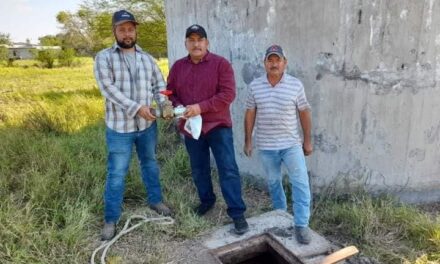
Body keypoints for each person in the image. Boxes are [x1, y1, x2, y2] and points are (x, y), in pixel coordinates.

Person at [94, 10, 171, 240]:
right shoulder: (104, 57)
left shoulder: (147, 58)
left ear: (136, 31)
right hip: (120, 128)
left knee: (150, 163)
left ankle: (155, 201)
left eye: (131, 29)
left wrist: (165, 104)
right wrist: (138, 108)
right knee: (117, 172)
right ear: (114, 31)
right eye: (122, 29)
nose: (127, 33)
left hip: (147, 127)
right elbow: (108, 89)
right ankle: (111, 218)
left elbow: (159, 84)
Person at [167, 24, 249, 235]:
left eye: (200, 39)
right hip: (191, 128)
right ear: (186, 43)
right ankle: (207, 201)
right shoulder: (177, 67)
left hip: (217, 126)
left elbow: (228, 95)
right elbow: (171, 93)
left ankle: (237, 212)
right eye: (191, 40)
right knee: (198, 168)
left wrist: (200, 107)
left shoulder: (221, 64)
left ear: (207, 42)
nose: (196, 44)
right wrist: (177, 107)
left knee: (228, 168)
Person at [243, 45, 313, 244]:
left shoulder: (295, 85)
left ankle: (301, 224)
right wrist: (248, 140)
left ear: (285, 62)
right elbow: (249, 113)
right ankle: (281, 216)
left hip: (291, 145)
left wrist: (307, 141)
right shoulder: (255, 86)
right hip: (266, 146)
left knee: (300, 183)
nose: (274, 64)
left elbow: (304, 112)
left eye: (278, 60)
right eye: (270, 60)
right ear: (264, 63)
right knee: (274, 182)